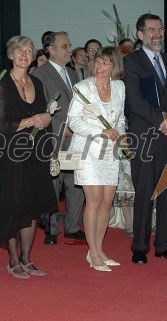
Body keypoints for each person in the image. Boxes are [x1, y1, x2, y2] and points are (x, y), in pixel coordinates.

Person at [124, 13, 167, 264]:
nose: (157, 34)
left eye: (160, 29)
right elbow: (135, 101)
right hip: (146, 134)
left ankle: (164, 244)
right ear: (140, 34)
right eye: (151, 30)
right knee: (145, 192)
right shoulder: (131, 61)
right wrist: (162, 121)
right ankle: (140, 246)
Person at [0, 36, 56, 279]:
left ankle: (27, 258)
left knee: (32, 207)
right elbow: (1, 125)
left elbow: (45, 114)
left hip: (37, 152)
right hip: (13, 153)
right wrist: (32, 120)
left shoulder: (37, 82)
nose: (24, 54)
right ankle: (13, 259)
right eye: (19, 50)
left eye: (29, 51)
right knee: (15, 206)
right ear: (10, 55)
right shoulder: (2, 84)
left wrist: (47, 118)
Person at [68, 47, 126, 271]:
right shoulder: (83, 88)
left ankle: (99, 249)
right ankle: (92, 252)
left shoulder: (120, 87)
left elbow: (119, 119)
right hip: (87, 150)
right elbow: (73, 121)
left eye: (105, 63)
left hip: (109, 152)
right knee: (94, 200)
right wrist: (100, 131)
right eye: (98, 62)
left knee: (107, 201)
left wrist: (121, 134)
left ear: (114, 66)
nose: (100, 67)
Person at [32, 31, 85, 245]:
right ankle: (51, 228)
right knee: (54, 183)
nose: (69, 50)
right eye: (64, 46)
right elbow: (39, 109)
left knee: (75, 184)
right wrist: (62, 129)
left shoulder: (73, 74)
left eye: (69, 45)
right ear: (51, 50)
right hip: (54, 138)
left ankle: (73, 226)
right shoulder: (39, 75)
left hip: (74, 138)